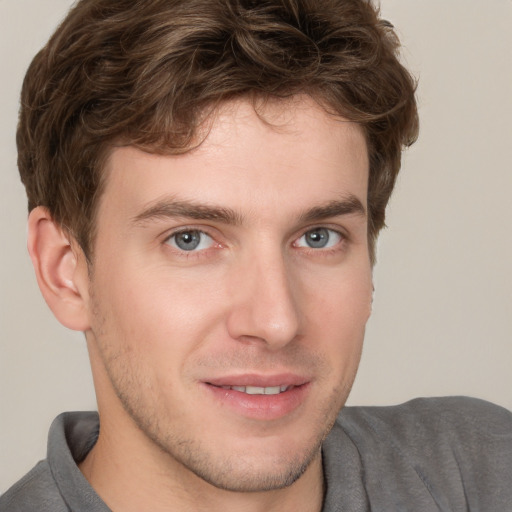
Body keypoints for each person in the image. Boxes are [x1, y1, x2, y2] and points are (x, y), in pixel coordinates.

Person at [1, 0, 511, 510]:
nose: (276, 321)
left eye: (318, 237)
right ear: (66, 272)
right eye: (191, 239)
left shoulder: (481, 475)